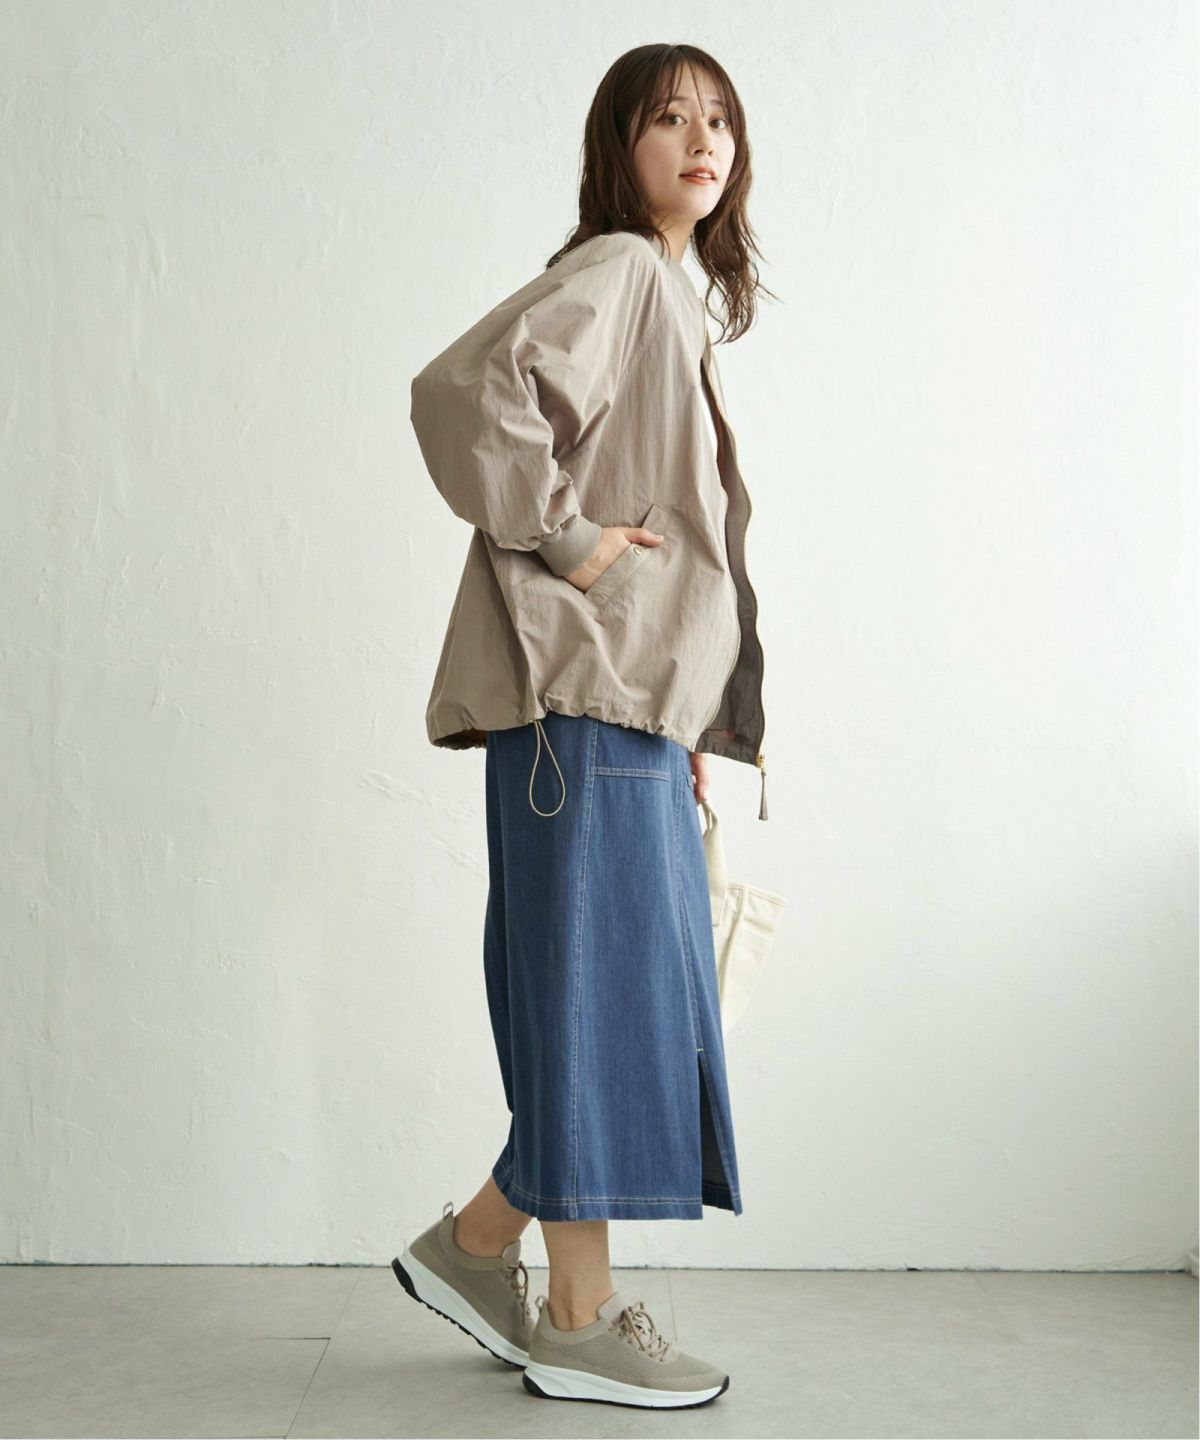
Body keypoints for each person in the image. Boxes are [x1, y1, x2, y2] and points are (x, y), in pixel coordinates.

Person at [394, 42, 773, 1410]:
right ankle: (576, 1312)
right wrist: (564, 537)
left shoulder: (663, 294)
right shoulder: (620, 272)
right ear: (621, 147)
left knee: (618, 1003)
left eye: (719, 119)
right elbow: (461, 390)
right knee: (600, 1005)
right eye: (669, 118)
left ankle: (475, 1248)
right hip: (579, 703)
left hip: (620, 712)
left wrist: (687, 727)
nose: (701, 138)